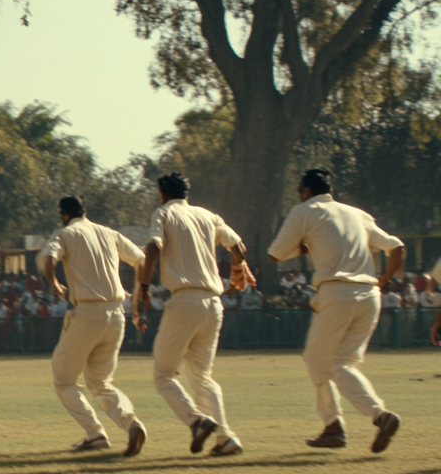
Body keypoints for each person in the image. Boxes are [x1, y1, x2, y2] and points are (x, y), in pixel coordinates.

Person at [268, 168, 405, 452]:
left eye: (299, 191)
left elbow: (275, 254)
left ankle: (337, 426)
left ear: (305, 191)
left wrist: (302, 247)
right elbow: (397, 248)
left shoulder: (303, 211)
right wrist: (383, 280)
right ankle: (376, 417)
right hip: (370, 294)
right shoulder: (357, 214)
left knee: (317, 360)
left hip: (336, 292)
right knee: (341, 363)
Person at [135, 173, 252, 457]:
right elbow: (238, 247)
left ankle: (196, 421)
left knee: (163, 375)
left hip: (184, 300)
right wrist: (240, 269)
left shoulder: (163, 213)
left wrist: (144, 287)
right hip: (213, 303)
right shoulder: (207, 215)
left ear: (162, 194)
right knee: (202, 376)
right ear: (186, 193)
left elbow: (152, 247)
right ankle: (226, 439)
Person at [40, 195, 148, 456]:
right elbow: (141, 260)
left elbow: (47, 260)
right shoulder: (109, 233)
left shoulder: (66, 233)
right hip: (116, 313)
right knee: (101, 383)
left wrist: (54, 284)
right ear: (84, 210)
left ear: (64, 214)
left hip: (87, 312)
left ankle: (95, 434)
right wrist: (138, 297)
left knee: (64, 380)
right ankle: (131, 423)